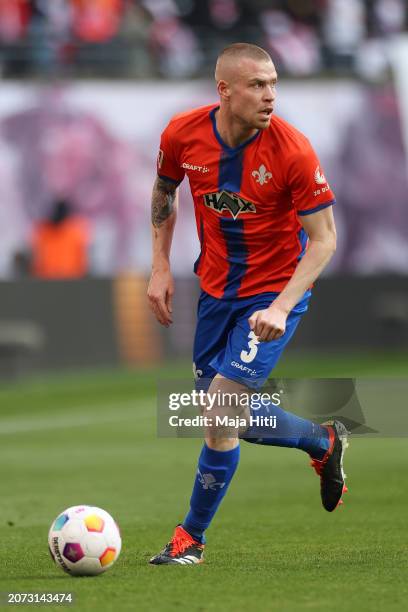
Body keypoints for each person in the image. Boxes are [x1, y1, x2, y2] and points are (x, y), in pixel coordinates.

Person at [147, 43, 349, 565]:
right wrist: (161, 266)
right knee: (214, 406)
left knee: (220, 407)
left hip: (274, 291)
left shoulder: (293, 150)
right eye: (258, 85)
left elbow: (325, 239)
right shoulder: (182, 134)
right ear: (225, 90)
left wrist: (282, 306)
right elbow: (164, 193)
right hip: (215, 290)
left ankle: (190, 538)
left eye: (274, 83)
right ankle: (321, 440)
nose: (270, 96)